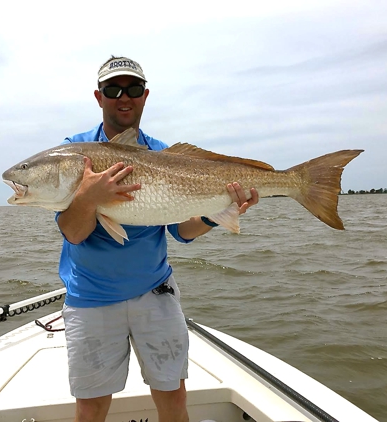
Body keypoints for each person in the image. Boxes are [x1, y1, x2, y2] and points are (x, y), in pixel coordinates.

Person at [56, 56, 259, 422]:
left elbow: (181, 230)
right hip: (91, 298)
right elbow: (73, 231)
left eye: (132, 89)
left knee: (172, 395)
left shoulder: (163, 153)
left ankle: (301, 183)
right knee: (91, 406)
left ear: (145, 96)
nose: (123, 97)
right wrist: (88, 196)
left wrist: (218, 213)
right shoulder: (77, 154)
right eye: (112, 89)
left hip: (155, 293)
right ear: (98, 97)